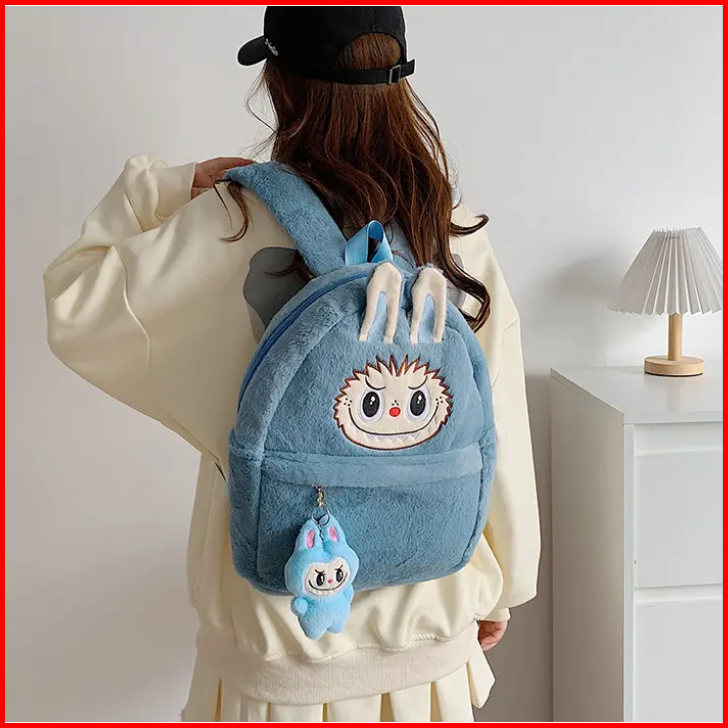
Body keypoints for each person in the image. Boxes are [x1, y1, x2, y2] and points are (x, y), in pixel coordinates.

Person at [43, 7, 540, 723]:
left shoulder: (228, 222)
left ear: (278, 81)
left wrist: (160, 189)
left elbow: (75, 303)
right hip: (432, 640)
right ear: (400, 80)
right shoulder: (450, 230)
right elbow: (499, 428)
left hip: (276, 653)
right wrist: (504, 585)